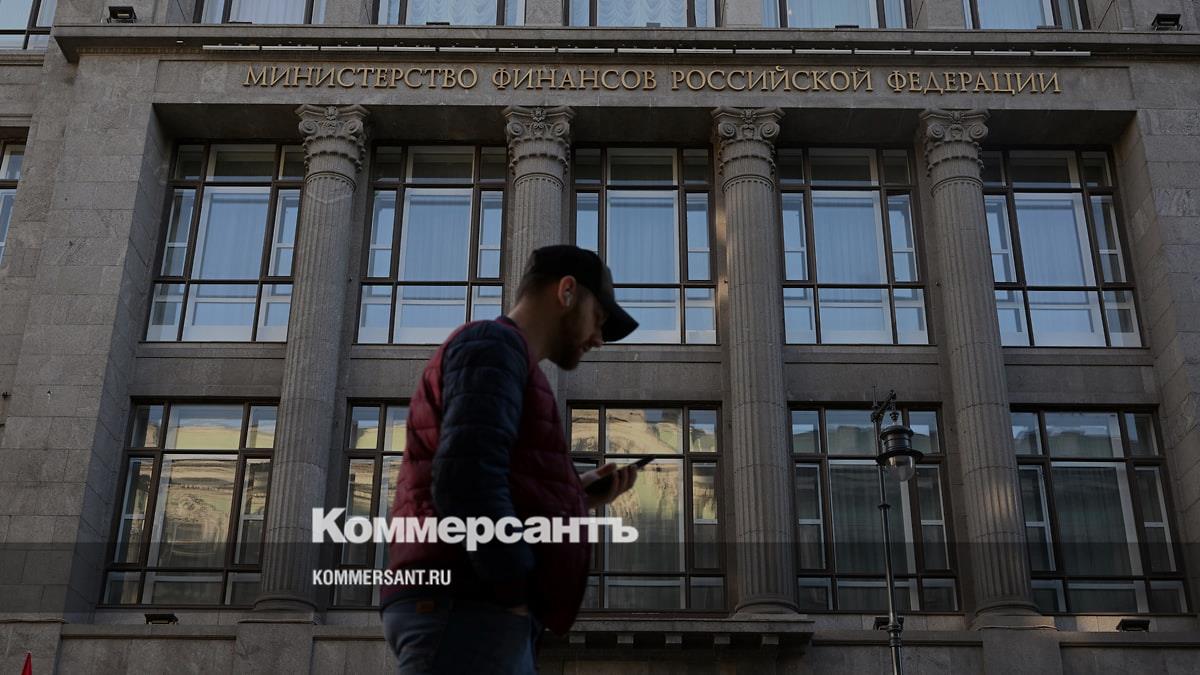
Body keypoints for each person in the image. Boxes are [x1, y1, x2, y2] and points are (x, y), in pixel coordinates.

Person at [380, 245, 642, 674]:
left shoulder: (507, 358)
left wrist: (576, 497)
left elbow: (486, 471)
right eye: (598, 318)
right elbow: (465, 481)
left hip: (471, 604)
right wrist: (513, 591)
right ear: (567, 292)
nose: (598, 339)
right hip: (471, 604)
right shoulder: (493, 347)